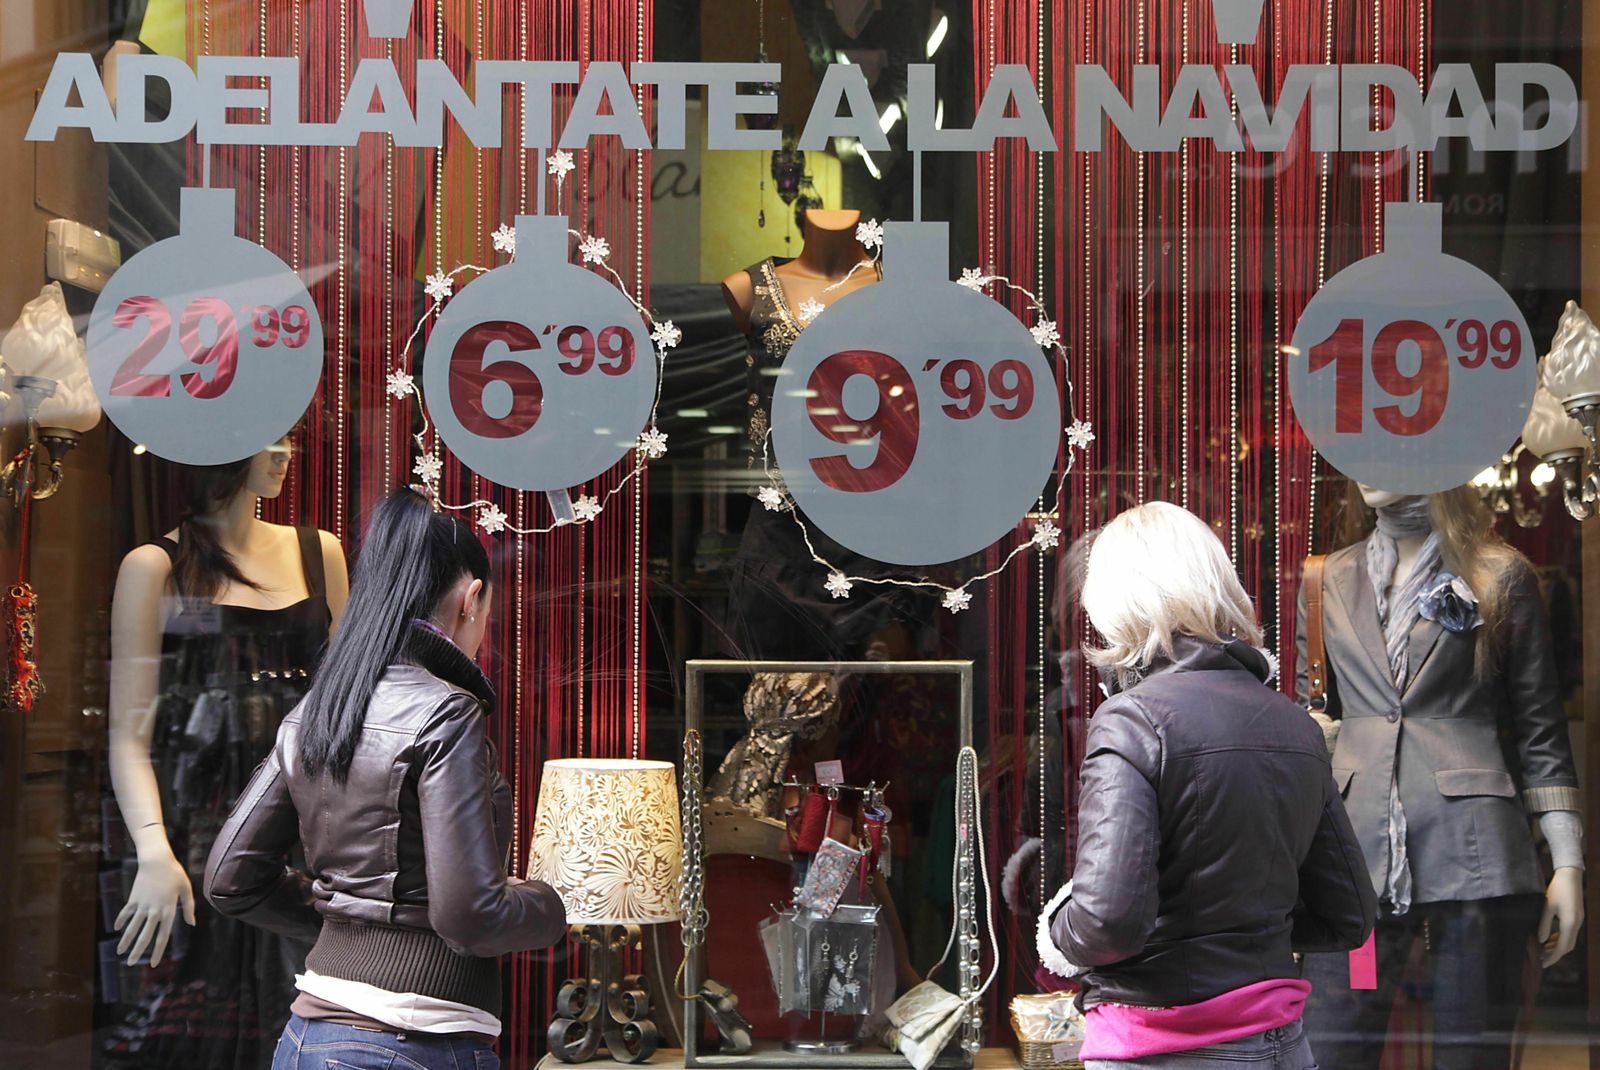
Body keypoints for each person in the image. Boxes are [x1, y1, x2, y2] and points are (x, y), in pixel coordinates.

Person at [204, 488, 567, 1070]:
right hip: (413, 1044)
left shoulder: (319, 708)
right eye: (488, 615)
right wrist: (550, 905)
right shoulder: (446, 712)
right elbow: (469, 916)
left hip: (306, 1039)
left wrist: (351, 920)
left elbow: (231, 879)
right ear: (472, 599)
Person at [1043, 502, 1375, 1069]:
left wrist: (1057, 928)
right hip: (1284, 1045)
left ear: (1116, 602)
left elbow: (1105, 923)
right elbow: (1347, 913)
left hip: (1166, 1046)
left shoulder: (1132, 719)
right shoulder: (1293, 723)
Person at [106, 438, 347, 1070]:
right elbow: (129, 734)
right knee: (201, 1024)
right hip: (200, 832)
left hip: (305, 825)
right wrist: (153, 851)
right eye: (269, 436)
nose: (286, 452)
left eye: (292, 434)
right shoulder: (154, 566)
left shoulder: (319, 553)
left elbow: (352, 703)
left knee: (307, 1009)